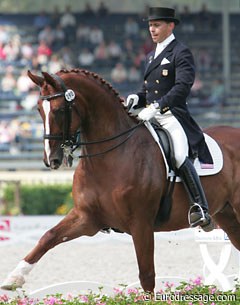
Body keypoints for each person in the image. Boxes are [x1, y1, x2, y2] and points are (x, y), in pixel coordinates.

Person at [125, 7, 213, 231]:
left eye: (157, 25)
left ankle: (200, 207)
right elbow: (150, 89)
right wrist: (138, 97)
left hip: (172, 116)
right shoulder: (151, 55)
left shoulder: (180, 52)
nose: (152, 30)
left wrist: (156, 106)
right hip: (152, 116)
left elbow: (182, 88)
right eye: (150, 26)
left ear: (170, 26)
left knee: (178, 154)